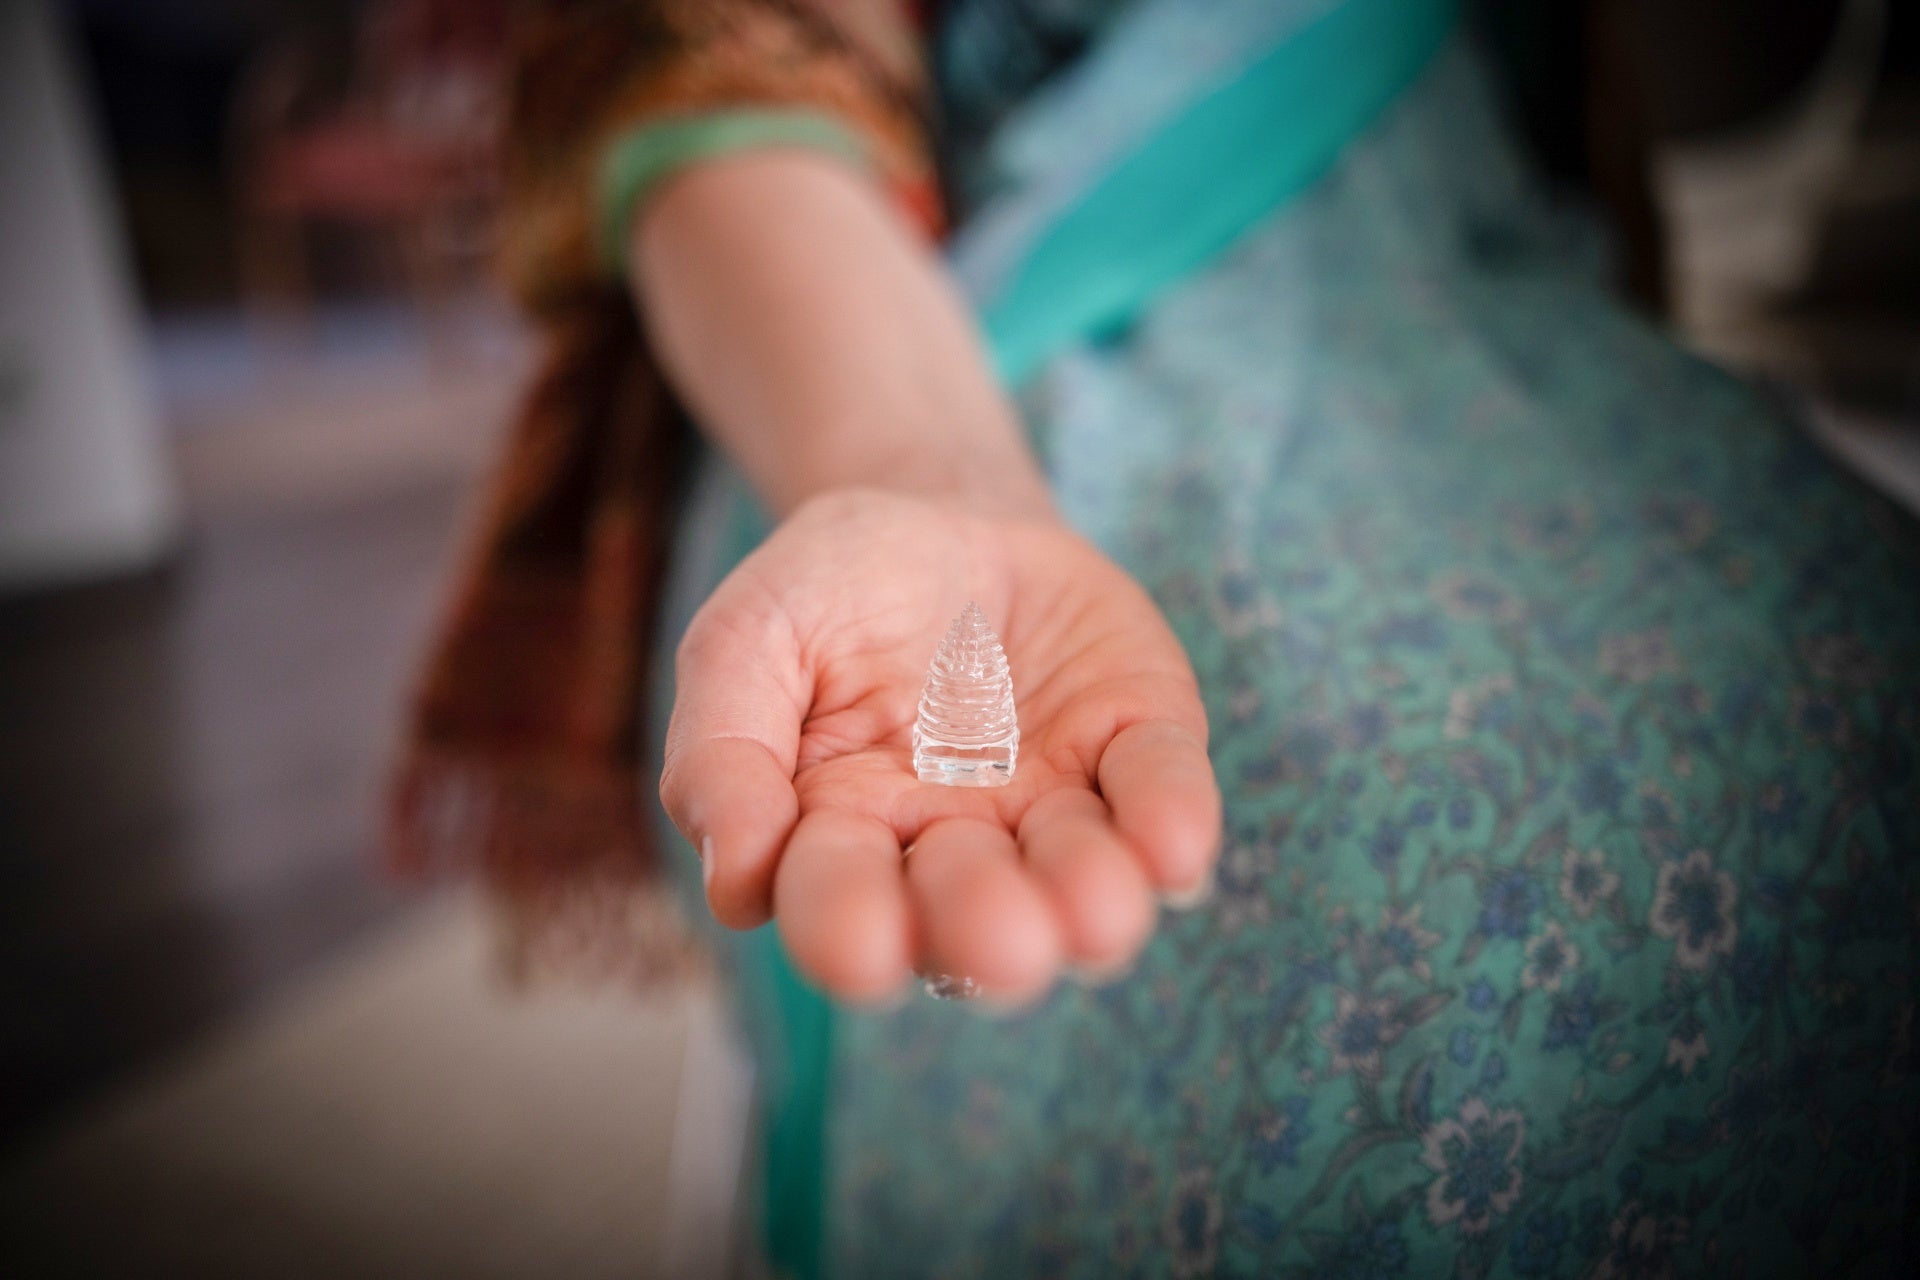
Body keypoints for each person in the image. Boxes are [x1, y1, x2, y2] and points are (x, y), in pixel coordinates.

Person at [394, 0, 1920, 1275]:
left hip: (1477, 272)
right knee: (1423, 935)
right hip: (901, 326)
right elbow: (707, 74)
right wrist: (928, 476)